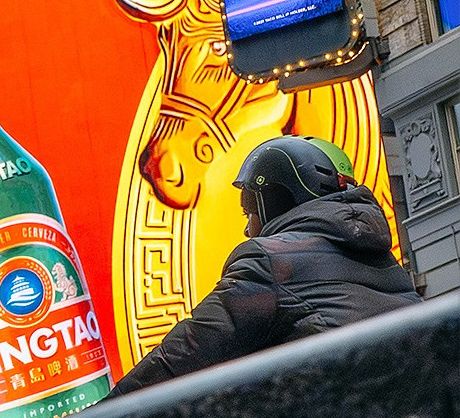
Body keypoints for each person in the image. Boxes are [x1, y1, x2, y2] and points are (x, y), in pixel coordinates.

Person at [111, 136, 419, 396]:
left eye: (248, 212)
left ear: (273, 202)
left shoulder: (268, 261)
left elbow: (184, 355)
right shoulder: (384, 261)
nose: (247, 229)